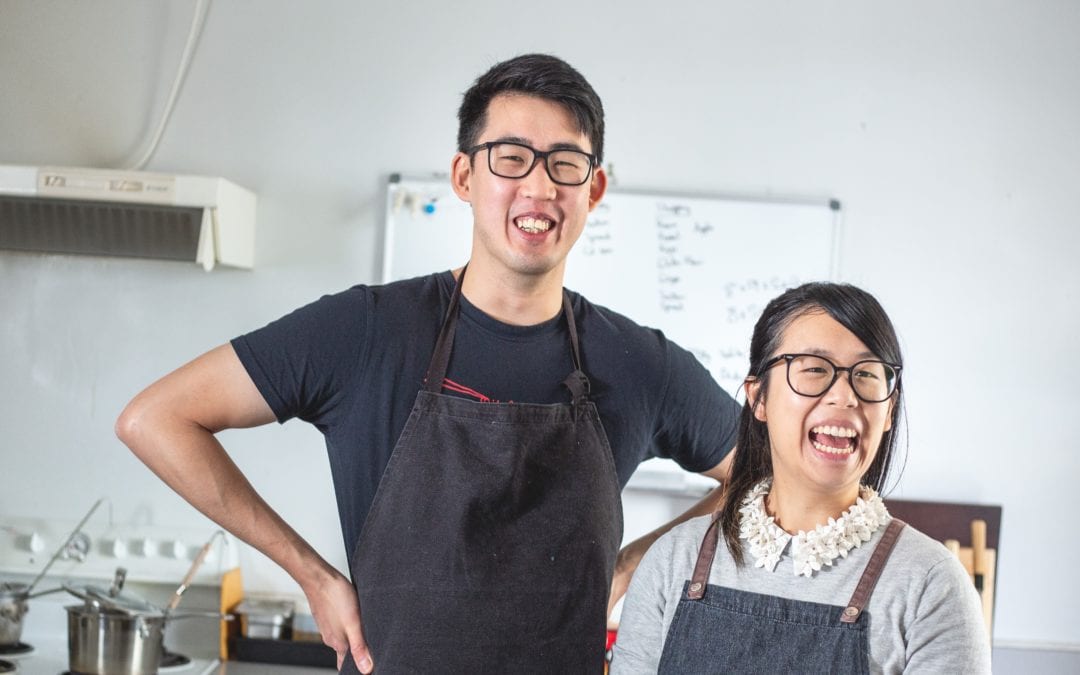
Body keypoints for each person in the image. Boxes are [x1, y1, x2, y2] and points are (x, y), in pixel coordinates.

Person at [116, 53, 740, 673]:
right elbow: (155, 419)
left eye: (566, 164)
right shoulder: (366, 332)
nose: (540, 187)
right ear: (465, 177)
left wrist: (635, 566)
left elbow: (764, 472)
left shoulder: (638, 363)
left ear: (592, 189)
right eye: (512, 157)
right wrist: (310, 573)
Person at [610, 282, 992, 674]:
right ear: (759, 398)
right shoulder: (674, 562)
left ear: (890, 410)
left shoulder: (932, 586)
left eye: (866, 374)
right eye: (814, 369)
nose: (844, 396)